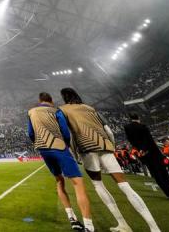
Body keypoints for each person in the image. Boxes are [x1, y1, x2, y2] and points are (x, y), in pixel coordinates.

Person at [59, 88, 160, 232]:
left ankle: (123, 224)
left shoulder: (63, 110)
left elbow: (69, 135)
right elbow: (109, 131)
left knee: (98, 185)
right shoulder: (91, 108)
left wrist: (75, 155)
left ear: (64, 97)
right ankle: (154, 228)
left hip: (86, 148)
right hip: (105, 145)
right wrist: (111, 146)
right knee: (125, 186)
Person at [28, 92, 93, 231]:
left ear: (40, 100)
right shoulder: (56, 111)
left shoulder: (31, 112)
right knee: (78, 183)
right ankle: (89, 226)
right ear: (50, 100)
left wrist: (40, 143)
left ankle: (72, 218)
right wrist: (66, 145)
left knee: (59, 180)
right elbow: (65, 131)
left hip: (43, 149)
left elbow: (31, 133)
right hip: (59, 146)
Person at [124, 113, 169, 200]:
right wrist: (144, 149)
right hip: (153, 152)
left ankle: (168, 194)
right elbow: (148, 139)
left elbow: (131, 140)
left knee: (156, 175)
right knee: (163, 173)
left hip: (143, 155)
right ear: (138, 118)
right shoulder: (143, 127)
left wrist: (140, 149)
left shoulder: (127, 127)